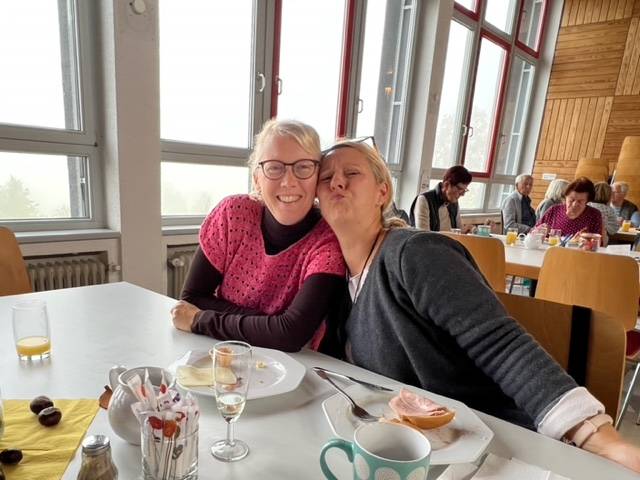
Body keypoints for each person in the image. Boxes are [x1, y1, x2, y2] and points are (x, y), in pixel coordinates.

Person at [316, 139, 640, 473]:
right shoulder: (332, 274)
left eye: (352, 173)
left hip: (490, 450)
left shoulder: (416, 253)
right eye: (326, 178)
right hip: (400, 452)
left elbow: (501, 344)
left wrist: (599, 439)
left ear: (382, 192)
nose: (337, 182)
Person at [170, 119, 346, 352]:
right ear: (257, 179)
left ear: (318, 177)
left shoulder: (329, 239)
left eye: (303, 167)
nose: (289, 181)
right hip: (220, 349)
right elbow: (192, 297)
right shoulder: (232, 214)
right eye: (274, 167)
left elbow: (291, 334)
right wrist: (270, 325)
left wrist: (200, 319)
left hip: (291, 363)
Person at [409, 165, 472, 232]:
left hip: (448, 239)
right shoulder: (424, 200)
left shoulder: (454, 202)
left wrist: (466, 230)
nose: (462, 194)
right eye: (460, 189)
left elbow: (458, 231)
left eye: (464, 190)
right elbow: (424, 235)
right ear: (447, 185)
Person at [537, 177, 603, 238]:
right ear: (565, 197)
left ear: (587, 201)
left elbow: (598, 242)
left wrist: (588, 239)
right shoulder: (554, 210)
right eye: (571, 200)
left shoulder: (594, 215)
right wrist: (541, 231)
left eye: (580, 201)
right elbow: (534, 232)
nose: (574, 204)